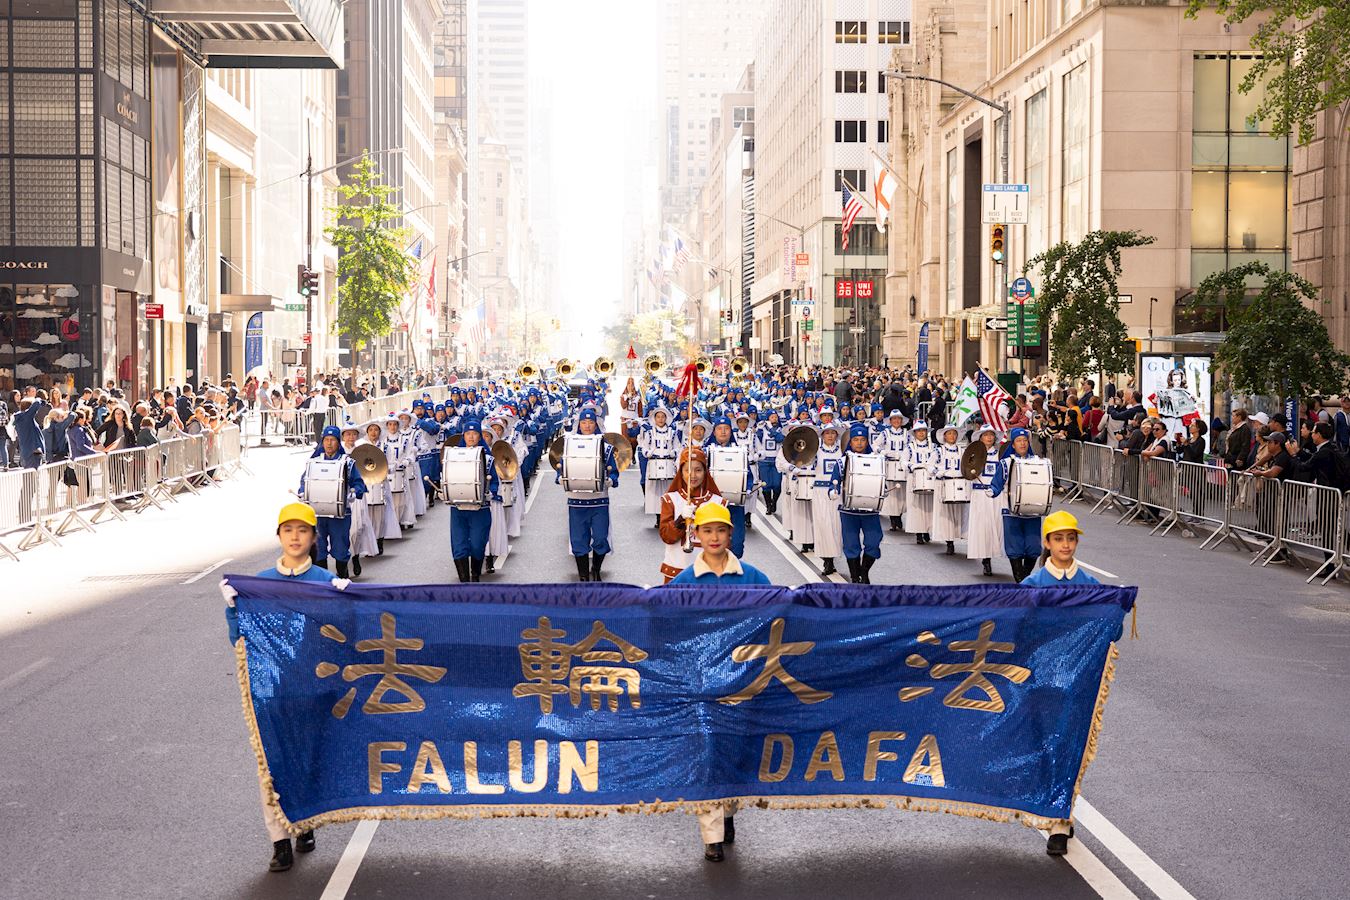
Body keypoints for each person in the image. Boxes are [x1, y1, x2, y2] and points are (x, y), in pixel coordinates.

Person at [221, 502, 335, 873]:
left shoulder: (324, 581)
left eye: (303, 530)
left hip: (312, 691)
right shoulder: (262, 583)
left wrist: (348, 602)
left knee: (307, 760)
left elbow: (342, 637)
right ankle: (279, 841)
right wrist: (234, 609)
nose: (295, 537)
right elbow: (241, 641)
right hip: (271, 692)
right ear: (279, 536)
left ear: (314, 537)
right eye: (288, 530)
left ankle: (304, 824)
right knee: (270, 765)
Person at [664, 501, 768, 861]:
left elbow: (775, 619)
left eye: (720, 530)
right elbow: (667, 627)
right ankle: (711, 835)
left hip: (742, 684)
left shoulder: (754, 578)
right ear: (696, 535)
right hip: (702, 684)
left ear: (730, 534)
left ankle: (728, 812)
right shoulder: (685, 582)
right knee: (708, 754)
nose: (714, 537)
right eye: (706, 530)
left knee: (734, 751)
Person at [298, 425, 368, 579]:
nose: (329, 443)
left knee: (341, 548)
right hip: (318, 513)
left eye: (333, 440)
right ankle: (323, 581)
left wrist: (354, 492)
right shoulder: (314, 462)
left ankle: (342, 578)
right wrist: (302, 491)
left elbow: (359, 483)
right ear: (322, 442)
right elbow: (304, 480)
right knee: (318, 547)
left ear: (338, 442)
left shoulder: (347, 462)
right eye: (326, 440)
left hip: (340, 514)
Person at [560, 407, 621, 581]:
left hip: (599, 500)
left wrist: (611, 480)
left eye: (591, 422)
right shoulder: (569, 445)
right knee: (579, 539)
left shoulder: (606, 448)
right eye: (584, 422)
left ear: (596, 424)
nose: (587, 426)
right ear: (579, 424)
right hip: (576, 501)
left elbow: (614, 473)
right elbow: (562, 468)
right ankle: (583, 575)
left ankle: (596, 568)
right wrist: (560, 478)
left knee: (601, 537)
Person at [657, 446, 726, 583]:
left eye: (698, 470)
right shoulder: (671, 499)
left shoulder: (718, 502)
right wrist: (680, 520)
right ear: (680, 472)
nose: (693, 475)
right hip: (676, 572)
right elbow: (667, 537)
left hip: (708, 573)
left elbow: (725, 543)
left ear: (705, 472)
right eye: (687, 470)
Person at [989, 427, 1047, 583]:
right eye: (1019, 441)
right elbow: (997, 483)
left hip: (1032, 510)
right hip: (1011, 511)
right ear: (1013, 445)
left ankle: (1024, 577)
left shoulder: (1037, 462)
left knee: (1033, 547)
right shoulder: (1006, 463)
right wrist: (992, 490)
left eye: (1025, 440)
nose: (1022, 443)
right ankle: (1019, 579)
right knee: (1014, 547)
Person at [448, 418, 499, 582]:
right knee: (459, 544)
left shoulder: (488, 458)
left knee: (478, 544)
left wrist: (491, 492)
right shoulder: (454, 456)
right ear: (463, 436)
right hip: (458, 508)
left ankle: (475, 575)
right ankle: (464, 581)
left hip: (480, 509)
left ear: (480, 437)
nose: (471, 437)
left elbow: (494, 482)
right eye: (468, 434)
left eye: (475, 434)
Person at [832, 423, 883, 583]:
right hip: (848, 511)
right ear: (850, 442)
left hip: (870, 510)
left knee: (874, 542)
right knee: (851, 544)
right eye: (855, 440)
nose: (859, 443)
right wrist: (833, 491)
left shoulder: (876, 460)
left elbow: (881, 481)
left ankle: (864, 572)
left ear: (867, 441)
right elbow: (833, 483)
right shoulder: (842, 462)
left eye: (862, 440)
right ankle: (855, 577)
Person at [965, 426, 1005, 576]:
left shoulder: (1000, 455)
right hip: (980, 494)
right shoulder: (973, 455)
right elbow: (967, 473)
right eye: (985, 435)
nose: (989, 437)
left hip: (996, 495)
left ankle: (994, 552)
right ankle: (985, 559)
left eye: (991, 435)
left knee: (996, 525)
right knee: (983, 526)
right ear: (980, 438)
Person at [930, 424, 968, 556]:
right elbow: (929, 466)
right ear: (944, 436)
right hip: (944, 484)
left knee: (958, 513)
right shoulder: (938, 451)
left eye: (954, 433)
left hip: (959, 484)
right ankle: (949, 542)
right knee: (946, 514)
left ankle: (958, 535)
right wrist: (937, 472)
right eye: (949, 433)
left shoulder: (962, 451)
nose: (952, 436)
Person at [902, 420, 937, 544]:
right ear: (915, 433)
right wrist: (912, 466)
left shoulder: (933, 447)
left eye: (923, 431)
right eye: (919, 431)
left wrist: (932, 468)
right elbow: (903, 461)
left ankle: (927, 530)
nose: (921, 433)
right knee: (916, 506)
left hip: (929, 479)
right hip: (914, 479)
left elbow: (937, 460)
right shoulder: (909, 447)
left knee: (929, 506)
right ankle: (918, 532)